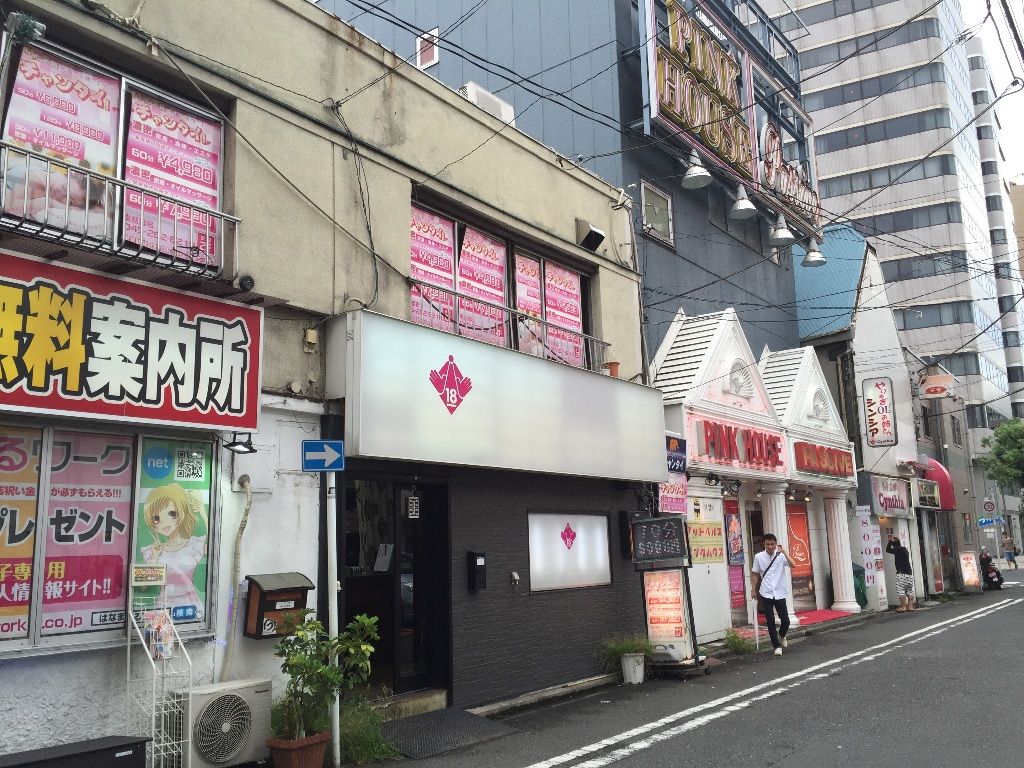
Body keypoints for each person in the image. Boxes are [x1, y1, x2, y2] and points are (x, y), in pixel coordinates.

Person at [141, 483, 207, 615]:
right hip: (164, 606)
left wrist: (203, 513)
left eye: (172, 513)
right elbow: (143, 586)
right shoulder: (154, 551)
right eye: (156, 519)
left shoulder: (193, 545)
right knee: (161, 634)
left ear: (182, 513)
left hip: (189, 606)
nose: (164, 523)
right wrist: (154, 557)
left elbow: (212, 546)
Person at [751, 533, 795, 656]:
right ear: (764, 544)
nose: (770, 546)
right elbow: (755, 573)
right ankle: (776, 646)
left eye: (772, 544)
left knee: (785, 620)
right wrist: (753, 589)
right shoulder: (759, 557)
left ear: (776, 544)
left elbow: (793, 564)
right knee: (770, 621)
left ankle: (781, 636)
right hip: (766, 592)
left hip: (780, 592)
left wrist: (784, 552)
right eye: (767, 544)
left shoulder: (781, 556)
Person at [885, 535, 914, 612]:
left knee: (901, 590)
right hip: (909, 573)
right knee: (909, 590)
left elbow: (887, 550)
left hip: (901, 574)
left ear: (894, 545)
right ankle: (910, 606)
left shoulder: (897, 549)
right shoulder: (905, 550)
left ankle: (903, 607)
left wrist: (889, 542)